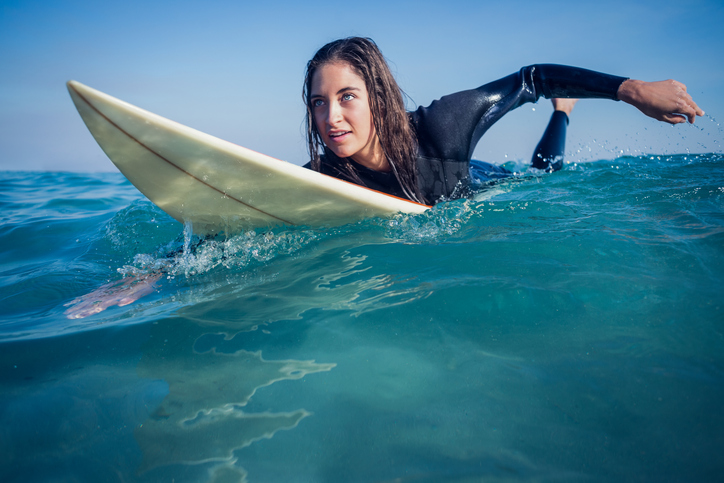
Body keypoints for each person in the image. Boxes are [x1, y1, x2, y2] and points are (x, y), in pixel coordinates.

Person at [302, 37, 703, 205]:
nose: (330, 117)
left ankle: (563, 112)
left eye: (347, 97)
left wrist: (632, 91)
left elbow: (533, 79)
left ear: (380, 98)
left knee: (544, 172)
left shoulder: (441, 125)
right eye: (319, 102)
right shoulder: (325, 172)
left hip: (486, 180)